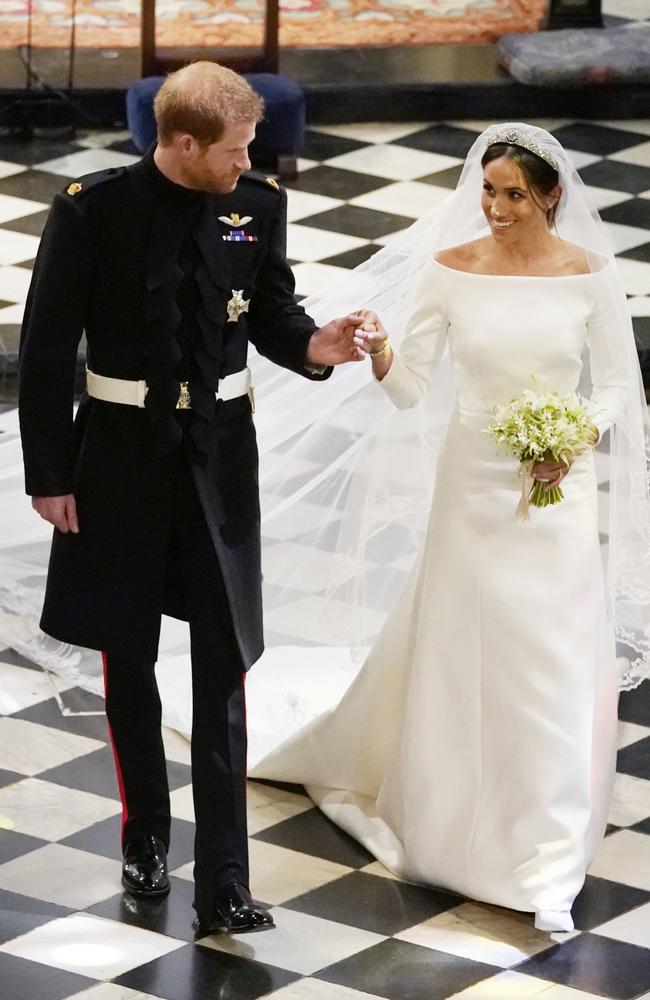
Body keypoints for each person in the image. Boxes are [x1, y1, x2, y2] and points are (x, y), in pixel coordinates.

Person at [249, 123, 650, 933]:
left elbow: (616, 387)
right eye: (488, 193)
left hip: (556, 490)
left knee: (550, 652)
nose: (495, 210)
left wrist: (571, 436)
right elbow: (410, 390)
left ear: (551, 198)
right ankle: (456, 809)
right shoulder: (451, 271)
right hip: (471, 484)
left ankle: (545, 845)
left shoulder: (589, 277)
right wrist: (385, 352)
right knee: (471, 644)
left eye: (512, 195)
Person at [17, 61, 365, 935]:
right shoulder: (91, 210)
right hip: (119, 460)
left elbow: (273, 314)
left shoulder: (258, 208)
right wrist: (50, 473)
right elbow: (49, 348)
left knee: (224, 663)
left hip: (219, 460)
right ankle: (144, 839)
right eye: (238, 150)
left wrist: (317, 345)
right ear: (181, 142)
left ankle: (228, 879)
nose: (250, 164)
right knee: (127, 654)